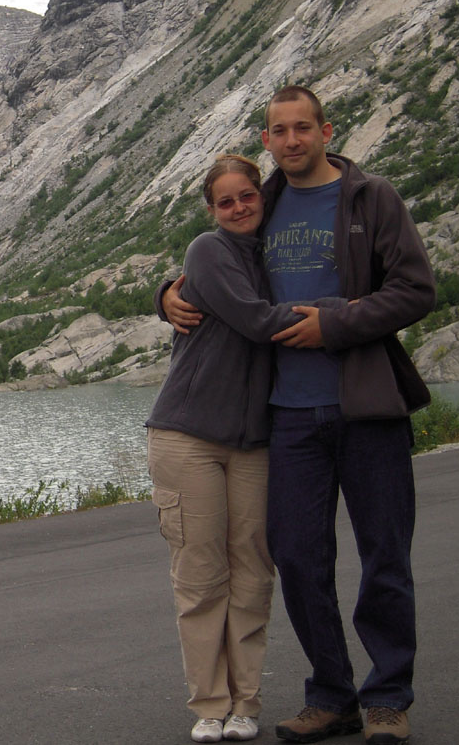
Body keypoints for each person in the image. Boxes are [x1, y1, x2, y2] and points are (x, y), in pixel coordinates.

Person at [162, 86, 435, 745]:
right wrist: (164, 294)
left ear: (325, 130)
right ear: (267, 141)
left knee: (384, 556)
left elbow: (415, 289)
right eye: (278, 131)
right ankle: (333, 693)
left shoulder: (372, 199)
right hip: (287, 415)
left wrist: (336, 325)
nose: (291, 141)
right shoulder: (264, 201)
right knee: (298, 559)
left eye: (302, 128)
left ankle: (388, 699)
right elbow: (217, 265)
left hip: (366, 405)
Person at [147, 154, 346, 743]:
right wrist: (343, 317)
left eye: (246, 196)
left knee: (253, 573)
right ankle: (211, 703)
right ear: (211, 209)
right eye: (225, 200)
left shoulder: (277, 253)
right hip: (187, 436)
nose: (238, 207)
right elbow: (257, 321)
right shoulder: (207, 251)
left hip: (256, 440)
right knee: (201, 575)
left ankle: (247, 702)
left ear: (261, 197)